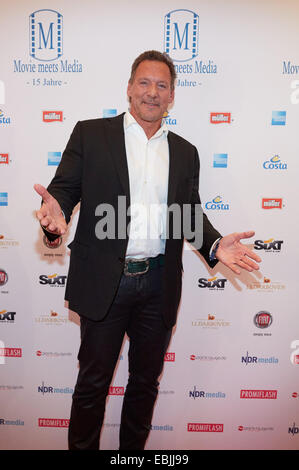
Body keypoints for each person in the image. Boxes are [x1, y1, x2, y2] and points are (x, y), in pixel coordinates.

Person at [34, 50, 261, 450]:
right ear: (128, 88)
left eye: (162, 85)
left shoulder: (186, 152)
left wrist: (213, 243)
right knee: (92, 385)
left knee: (144, 385)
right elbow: (63, 195)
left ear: (172, 96)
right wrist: (53, 223)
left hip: (158, 284)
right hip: (106, 281)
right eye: (144, 82)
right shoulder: (90, 134)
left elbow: (188, 214)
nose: (152, 92)